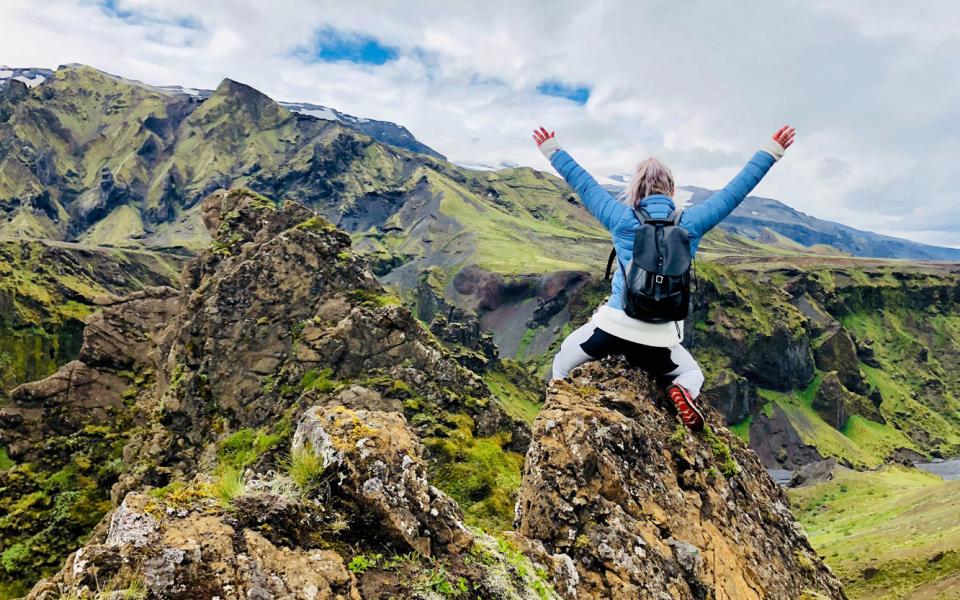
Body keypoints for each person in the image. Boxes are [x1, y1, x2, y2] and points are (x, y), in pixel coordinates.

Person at [533, 124, 796, 430]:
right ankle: (681, 391)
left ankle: (558, 419)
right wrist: (772, 151)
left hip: (612, 330)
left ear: (635, 190)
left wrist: (552, 149)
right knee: (692, 374)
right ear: (671, 191)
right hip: (659, 342)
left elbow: (584, 184)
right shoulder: (691, 222)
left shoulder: (620, 218)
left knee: (563, 362)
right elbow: (734, 192)